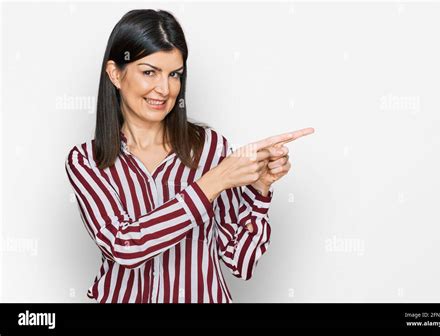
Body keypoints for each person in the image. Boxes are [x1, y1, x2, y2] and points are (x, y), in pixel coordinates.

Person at [65, 9, 314, 303]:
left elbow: (240, 263)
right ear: (115, 73)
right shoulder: (87, 161)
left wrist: (260, 190)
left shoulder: (211, 148)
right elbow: (125, 246)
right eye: (149, 72)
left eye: (174, 75)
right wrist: (214, 182)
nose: (164, 89)